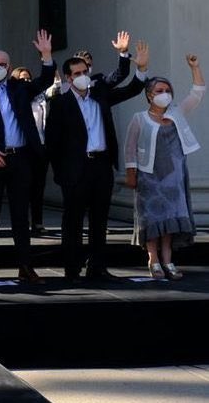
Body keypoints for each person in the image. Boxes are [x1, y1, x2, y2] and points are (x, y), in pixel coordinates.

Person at [46, 39, 149, 281]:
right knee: (73, 220)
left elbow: (131, 88)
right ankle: (72, 268)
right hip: (75, 169)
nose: (83, 76)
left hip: (101, 165)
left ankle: (97, 266)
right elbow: (53, 142)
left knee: (99, 218)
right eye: (77, 74)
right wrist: (62, 173)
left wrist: (140, 68)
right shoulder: (60, 104)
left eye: (85, 71)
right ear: (69, 78)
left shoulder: (100, 94)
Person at [0, 30, 57, 284]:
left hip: (19, 159)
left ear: (8, 66)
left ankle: (25, 265)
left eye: (1, 64)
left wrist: (46, 56)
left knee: (20, 214)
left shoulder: (20, 89)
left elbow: (45, 80)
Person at [125, 54, 205, 280]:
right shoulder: (139, 118)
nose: (164, 94)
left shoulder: (176, 113)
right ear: (149, 95)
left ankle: (168, 260)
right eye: (159, 91)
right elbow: (130, 148)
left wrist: (195, 68)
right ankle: (153, 260)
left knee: (170, 219)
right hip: (148, 177)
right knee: (152, 219)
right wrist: (131, 173)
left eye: (167, 90)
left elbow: (197, 93)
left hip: (173, 177)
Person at [11, 66, 59, 237]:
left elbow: (54, 91)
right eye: (22, 79)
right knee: (23, 187)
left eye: (28, 78)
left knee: (38, 187)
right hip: (23, 148)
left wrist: (56, 80)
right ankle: (21, 222)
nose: (26, 81)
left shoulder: (40, 96)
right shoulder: (15, 97)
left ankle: (37, 223)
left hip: (41, 146)